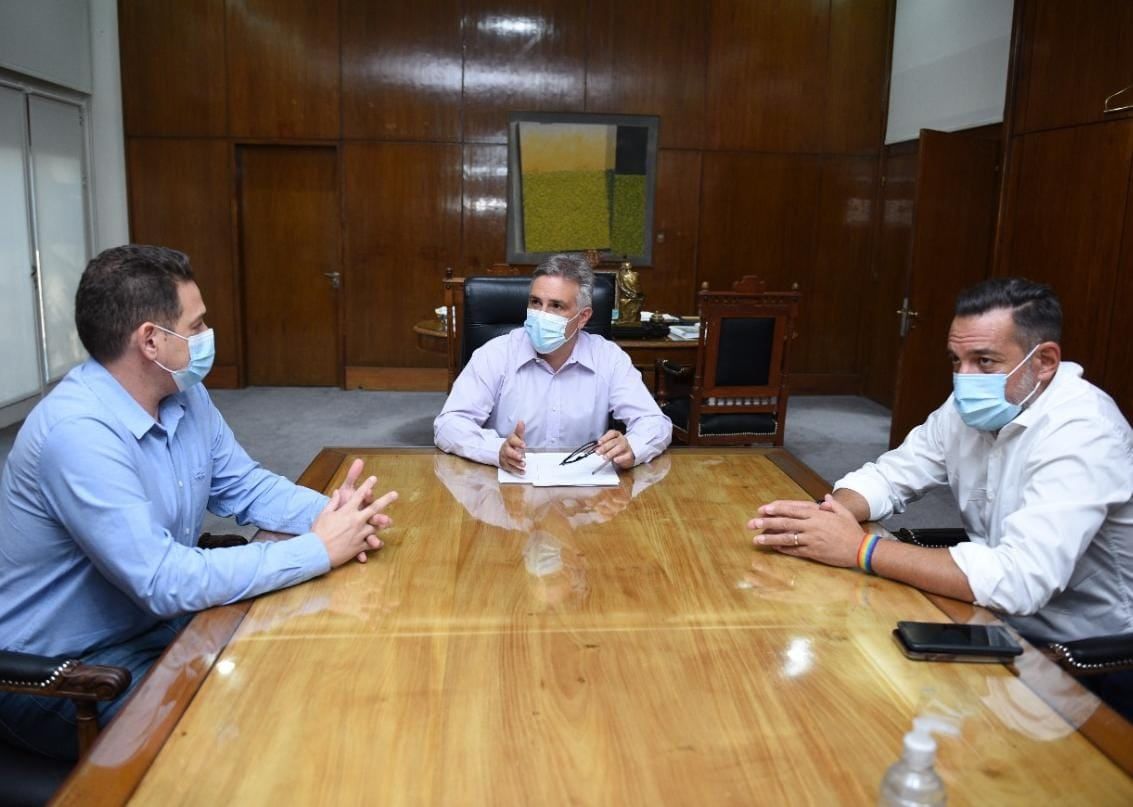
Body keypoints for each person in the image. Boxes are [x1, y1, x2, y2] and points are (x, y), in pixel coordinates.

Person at [0, 245, 398, 760]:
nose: (209, 336)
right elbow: (164, 580)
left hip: (154, 627)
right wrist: (319, 550)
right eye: (197, 324)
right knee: (248, 736)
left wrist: (330, 515)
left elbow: (245, 485)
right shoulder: (77, 433)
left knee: (304, 664)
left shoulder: (182, 393)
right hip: (63, 675)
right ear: (150, 341)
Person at [748, 277, 1133, 652]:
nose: (964, 379)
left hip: (1079, 652)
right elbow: (890, 475)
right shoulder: (967, 408)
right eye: (956, 360)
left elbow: (1020, 581)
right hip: (985, 615)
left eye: (984, 361)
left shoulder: (1084, 431)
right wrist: (828, 517)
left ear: (1045, 361)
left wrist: (860, 549)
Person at [434, 253, 672, 472]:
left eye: (556, 306)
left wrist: (633, 446)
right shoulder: (495, 354)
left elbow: (654, 422)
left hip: (583, 497)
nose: (541, 314)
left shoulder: (608, 358)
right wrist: (495, 450)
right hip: (509, 492)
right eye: (535, 303)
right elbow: (449, 425)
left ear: (583, 317)